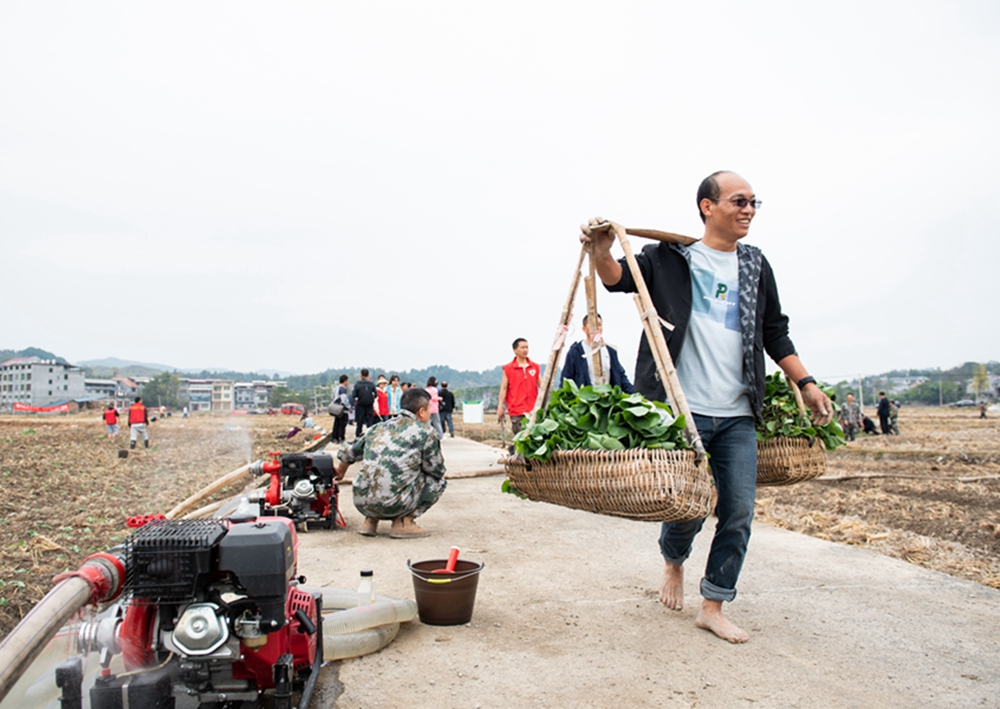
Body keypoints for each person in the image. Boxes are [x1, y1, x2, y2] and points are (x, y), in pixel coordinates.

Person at [581, 170, 833, 644]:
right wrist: (599, 248)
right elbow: (617, 280)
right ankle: (673, 560)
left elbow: (774, 331)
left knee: (738, 510)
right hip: (682, 409)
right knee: (690, 508)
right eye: (739, 201)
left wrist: (806, 382)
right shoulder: (669, 259)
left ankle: (714, 604)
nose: (749, 210)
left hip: (738, 410)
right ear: (707, 206)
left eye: (755, 203)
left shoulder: (756, 265)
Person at [334, 387, 447, 539]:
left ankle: (370, 521)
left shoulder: (377, 427)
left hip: (362, 502)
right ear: (421, 412)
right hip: (393, 504)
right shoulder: (425, 432)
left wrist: (340, 472)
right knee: (438, 481)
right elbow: (436, 469)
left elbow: (348, 452)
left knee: (379, 469)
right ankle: (404, 522)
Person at [560, 313, 634, 392]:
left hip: (608, 400)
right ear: (584, 329)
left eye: (599, 325)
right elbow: (566, 379)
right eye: (593, 324)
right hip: (585, 400)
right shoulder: (576, 352)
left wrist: (634, 394)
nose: (596, 328)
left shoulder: (610, 352)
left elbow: (621, 376)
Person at [497, 338, 541, 434]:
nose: (525, 350)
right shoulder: (508, 369)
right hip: (517, 410)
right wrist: (500, 405)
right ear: (515, 350)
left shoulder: (534, 367)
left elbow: (542, 386)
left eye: (527, 347)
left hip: (533, 409)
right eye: (522, 347)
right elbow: (504, 388)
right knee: (521, 439)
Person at [352, 369, 377, 438]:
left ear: (361, 375)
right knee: (369, 421)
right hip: (369, 405)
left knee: (359, 421)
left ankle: (358, 435)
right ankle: (370, 435)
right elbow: (376, 394)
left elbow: (354, 395)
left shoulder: (357, 384)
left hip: (360, 405)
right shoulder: (371, 384)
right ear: (368, 375)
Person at [331, 375, 351, 443]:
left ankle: (335, 437)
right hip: (342, 409)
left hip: (336, 408)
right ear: (345, 381)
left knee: (336, 423)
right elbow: (344, 400)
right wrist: (349, 407)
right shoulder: (343, 389)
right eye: (347, 381)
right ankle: (341, 437)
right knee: (342, 424)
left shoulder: (336, 388)